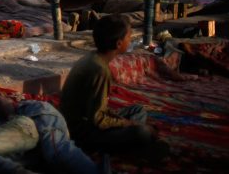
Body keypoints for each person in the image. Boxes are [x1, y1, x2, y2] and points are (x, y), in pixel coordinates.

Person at [60, 15, 169, 159]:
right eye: (129, 37)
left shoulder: (93, 58)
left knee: (138, 110)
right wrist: (128, 124)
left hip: (87, 119)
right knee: (141, 132)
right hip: (82, 132)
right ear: (118, 43)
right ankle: (131, 149)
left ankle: (132, 143)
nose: (130, 40)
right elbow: (97, 119)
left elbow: (98, 109)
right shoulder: (99, 70)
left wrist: (123, 121)